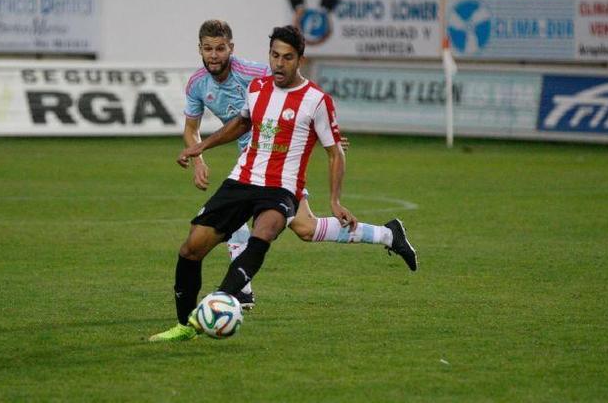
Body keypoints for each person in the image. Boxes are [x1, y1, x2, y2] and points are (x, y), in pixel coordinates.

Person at [150, 25, 418, 342]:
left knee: (265, 230)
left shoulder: (317, 100)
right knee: (191, 249)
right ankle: (185, 325)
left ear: (299, 59)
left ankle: (224, 298)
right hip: (243, 177)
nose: (279, 63)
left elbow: (335, 153)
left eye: (287, 57)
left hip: (282, 186)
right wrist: (201, 147)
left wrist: (335, 200)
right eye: (274, 56)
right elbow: (242, 123)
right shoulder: (257, 87)